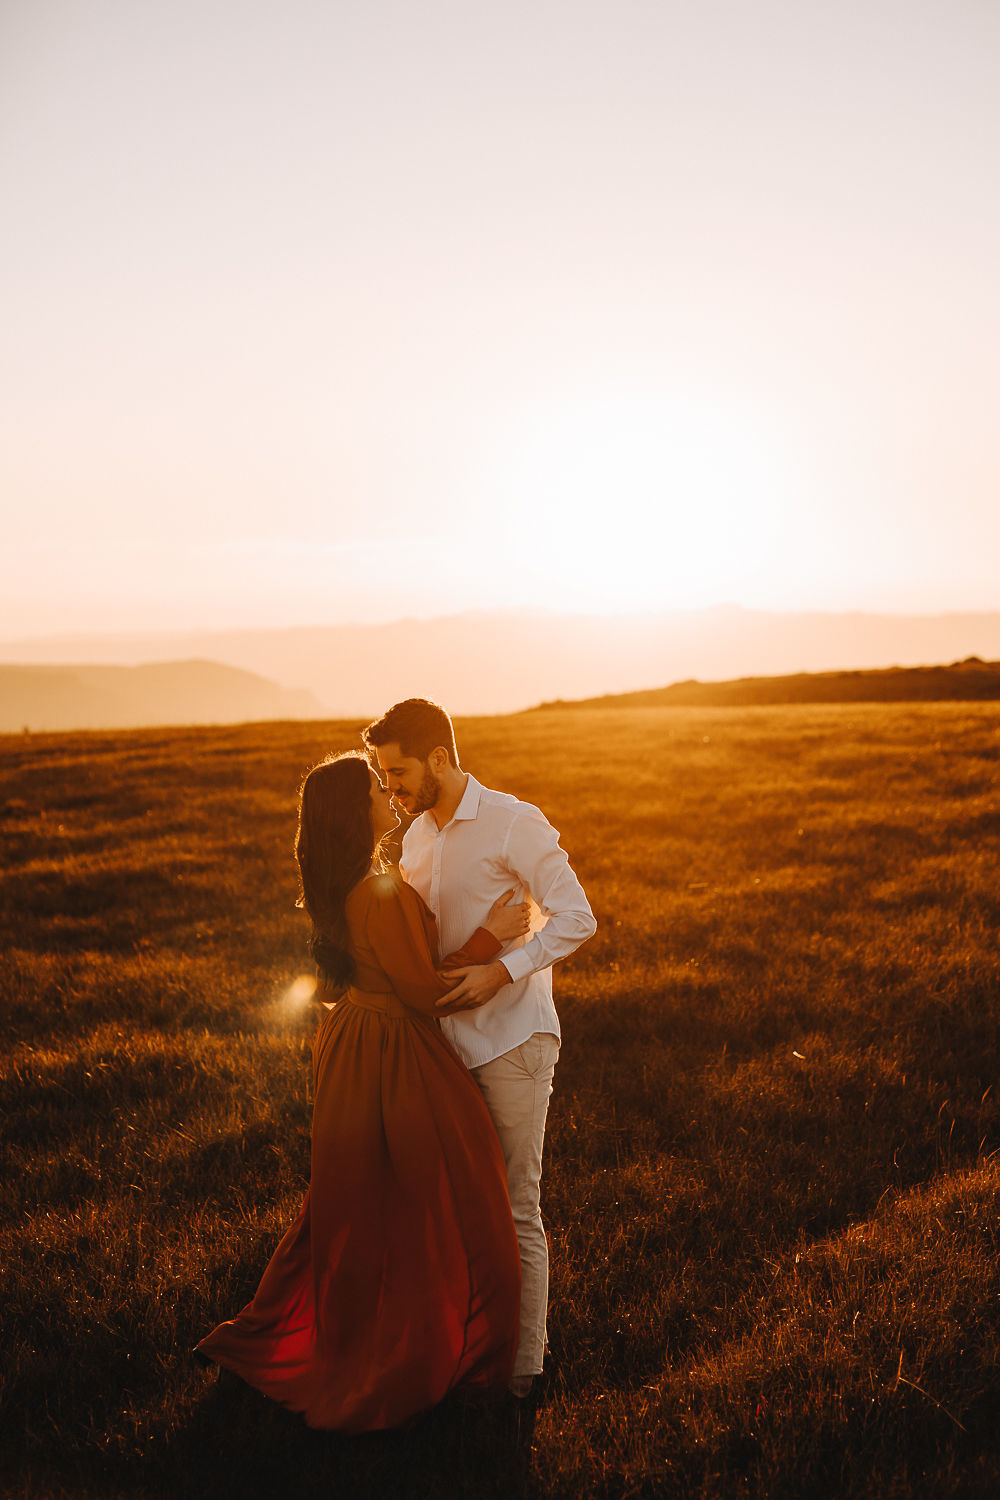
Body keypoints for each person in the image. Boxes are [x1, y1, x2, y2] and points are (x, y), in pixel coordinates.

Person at [195, 752, 525, 1431]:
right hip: (395, 1050)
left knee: (357, 1196)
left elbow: (393, 971)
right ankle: (432, 1348)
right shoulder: (377, 892)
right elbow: (427, 993)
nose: (390, 790)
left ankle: (366, 1330)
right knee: (451, 1192)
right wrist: (494, 940)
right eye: (378, 786)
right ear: (358, 810)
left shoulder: (347, 884)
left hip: (353, 1046)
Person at [363, 699, 597, 1402]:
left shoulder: (512, 822)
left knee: (515, 1204)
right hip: (441, 1051)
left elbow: (576, 917)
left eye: (398, 772)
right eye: (382, 777)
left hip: (513, 1040)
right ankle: (466, 1353)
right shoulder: (413, 841)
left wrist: (502, 969)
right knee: (460, 1207)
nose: (391, 790)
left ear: (439, 757)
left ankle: (522, 1373)